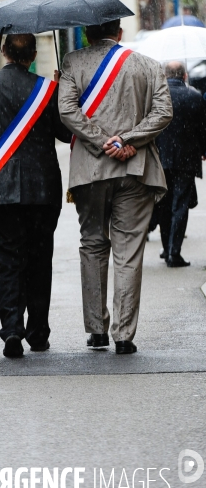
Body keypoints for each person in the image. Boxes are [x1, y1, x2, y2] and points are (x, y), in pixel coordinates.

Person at [58, 19, 173, 354]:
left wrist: (101, 141)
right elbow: (163, 113)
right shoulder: (148, 66)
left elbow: (67, 111)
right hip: (136, 168)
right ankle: (124, 335)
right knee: (128, 252)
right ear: (119, 32)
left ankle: (96, 330)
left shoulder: (72, 62)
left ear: (86, 34)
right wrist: (126, 139)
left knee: (92, 244)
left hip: (90, 171)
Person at [0, 33, 71, 358]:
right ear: (33, 54)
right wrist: (61, 91)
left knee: (9, 264)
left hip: (0, 192)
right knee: (39, 262)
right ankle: (38, 332)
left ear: (3, 50)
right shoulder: (47, 90)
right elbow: (65, 134)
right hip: (43, 191)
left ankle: (11, 330)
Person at [155, 61, 206, 267]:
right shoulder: (194, 96)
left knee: (163, 205)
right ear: (184, 75)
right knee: (180, 205)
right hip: (186, 159)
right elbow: (203, 128)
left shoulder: (156, 98)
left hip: (160, 159)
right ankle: (174, 253)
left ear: (164, 76)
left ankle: (166, 248)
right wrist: (204, 150)